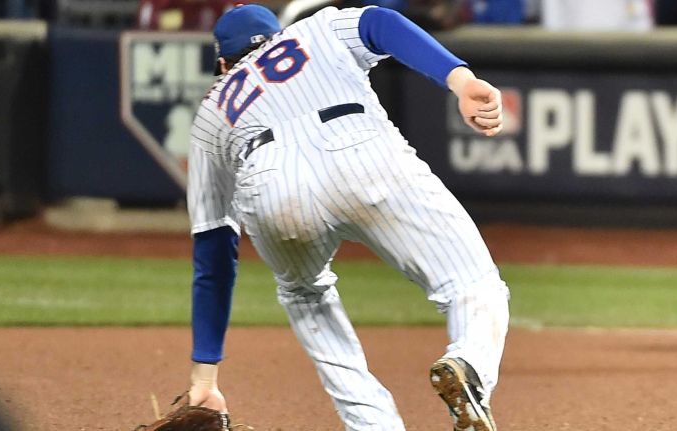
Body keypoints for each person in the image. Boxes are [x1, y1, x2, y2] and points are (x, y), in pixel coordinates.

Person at [185, 3, 510, 430]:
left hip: (269, 183)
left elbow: (213, 250)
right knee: (472, 283)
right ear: (275, 34)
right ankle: (468, 363)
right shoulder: (312, 30)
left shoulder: (211, 111)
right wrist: (460, 79)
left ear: (223, 63)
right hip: (359, 148)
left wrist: (204, 377)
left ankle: (373, 425)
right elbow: (382, 23)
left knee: (306, 295)